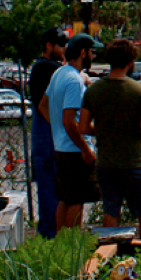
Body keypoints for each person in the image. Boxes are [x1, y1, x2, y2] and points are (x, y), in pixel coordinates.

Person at [79, 39, 141, 240]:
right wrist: (132, 125)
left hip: (106, 162)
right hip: (134, 162)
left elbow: (83, 126)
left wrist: (105, 129)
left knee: (111, 211)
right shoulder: (139, 90)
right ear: (130, 62)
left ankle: (110, 253)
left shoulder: (94, 90)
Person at [40, 33, 103, 233]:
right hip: (75, 150)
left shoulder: (59, 73)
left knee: (65, 198)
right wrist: (85, 148)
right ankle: (73, 243)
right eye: (91, 52)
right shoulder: (75, 81)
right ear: (83, 52)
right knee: (77, 199)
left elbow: (43, 105)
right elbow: (70, 121)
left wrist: (57, 128)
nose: (93, 57)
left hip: (61, 147)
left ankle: (61, 244)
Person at [30, 27, 67, 239]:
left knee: (52, 191)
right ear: (48, 46)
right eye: (61, 45)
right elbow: (43, 106)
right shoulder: (47, 68)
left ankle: (49, 233)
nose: (64, 49)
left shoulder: (42, 68)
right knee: (49, 192)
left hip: (47, 137)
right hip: (47, 139)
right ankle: (49, 236)